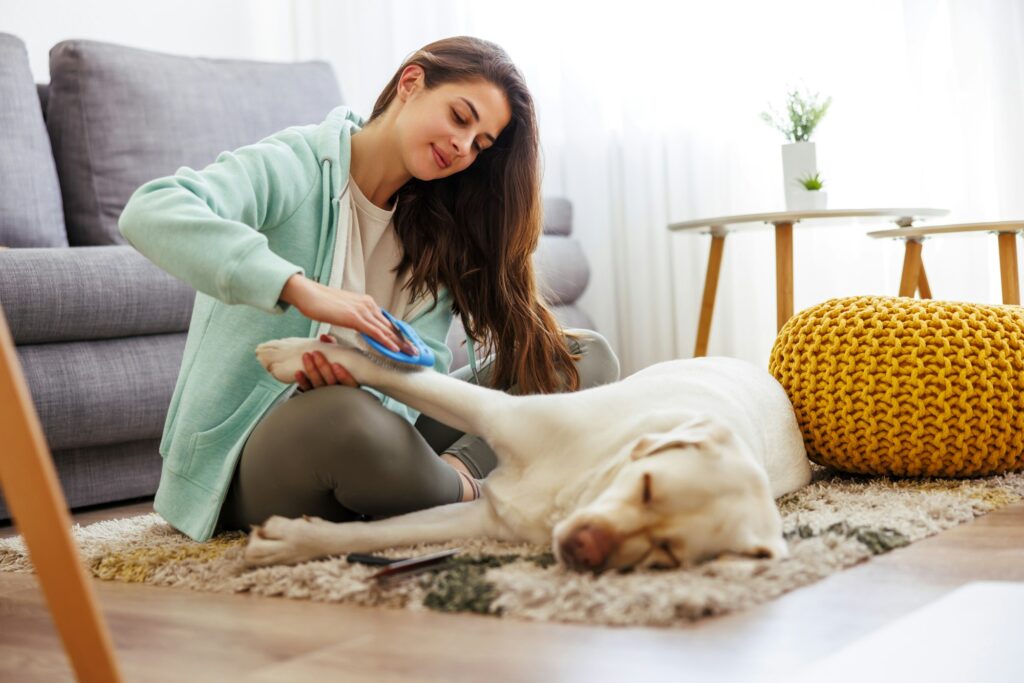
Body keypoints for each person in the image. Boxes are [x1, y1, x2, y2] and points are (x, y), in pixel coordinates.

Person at [119, 36, 619, 543]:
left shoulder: (437, 222)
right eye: (460, 117)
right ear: (412, 82)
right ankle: (475, 496)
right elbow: (152, 209)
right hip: (253, 461)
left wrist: (369, 373)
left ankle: (455, 484)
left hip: (379, 430)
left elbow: (419, 375)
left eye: (480, 144)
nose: (463, 147)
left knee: (577, 357)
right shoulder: (298, 163)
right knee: (344, 417)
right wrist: (300, 290)